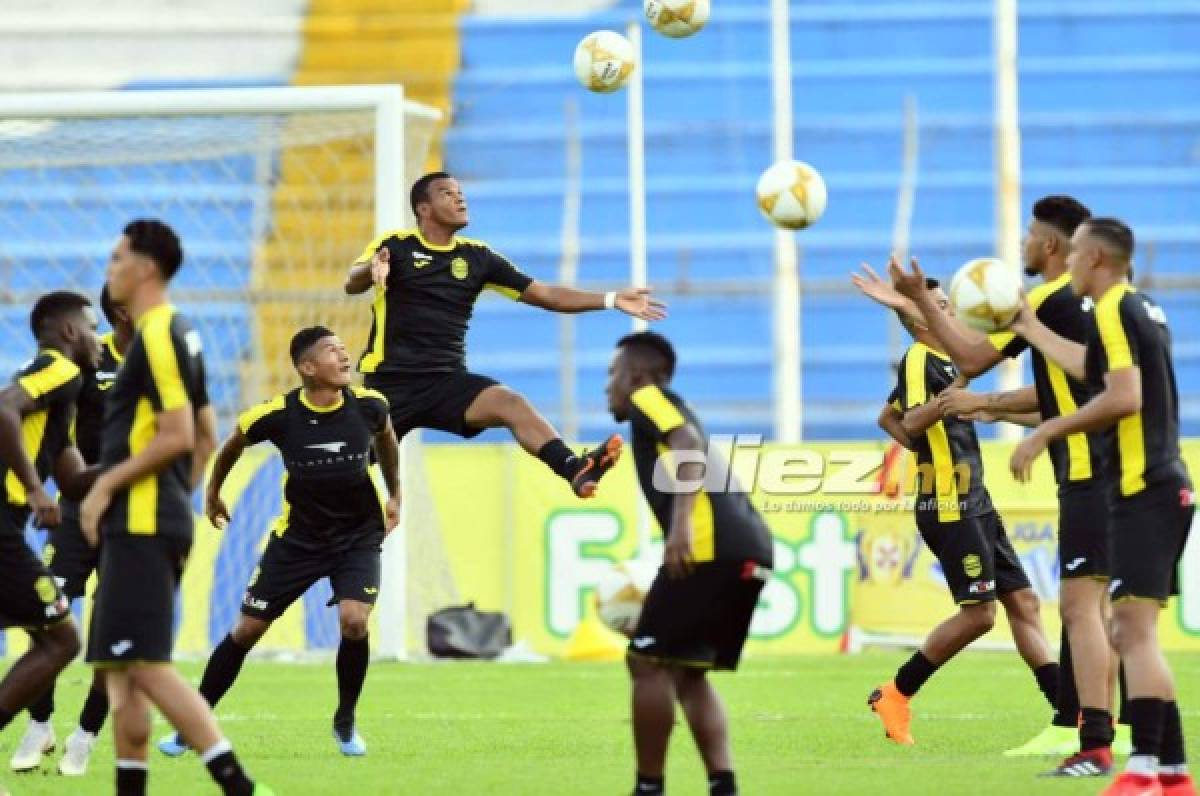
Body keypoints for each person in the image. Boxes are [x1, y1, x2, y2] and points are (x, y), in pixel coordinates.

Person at [882, 196, 1130, 772]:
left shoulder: (1049, 301)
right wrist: (984, 407)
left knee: (1074, 608)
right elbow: (911, 409)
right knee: (1070, 608)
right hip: (1003, 489)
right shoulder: (1092, 305)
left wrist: (985, 399)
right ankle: (1090, 727)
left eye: (1027, 233)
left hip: (1084, 476)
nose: (1020, 241)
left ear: (1049, 244)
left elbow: (978, 361)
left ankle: (1088, 733)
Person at [79, 219, 270, 796]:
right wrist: (175, 504)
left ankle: (239, 784)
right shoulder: (181, 334)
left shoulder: (159, 333)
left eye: (117, 259)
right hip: (152, 520)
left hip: (139, 523)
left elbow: (179, 434)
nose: (109, 270)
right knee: (120, 676)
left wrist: (107, 486)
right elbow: (209, 433)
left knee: (144, 667)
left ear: (146, 268)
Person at [1007, 218, 1194, 796]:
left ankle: (1141, 769)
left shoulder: (1113, 309)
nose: (1070, 267)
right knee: (1132, 631)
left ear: (1093, 259)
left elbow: (1123, 396)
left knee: (1131, 634)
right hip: (1161, 486)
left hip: (1144, 489)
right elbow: (1093, 372)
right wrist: (1033, 330)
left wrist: (1046, 432)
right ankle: (1173, 772)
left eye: (1078, 254)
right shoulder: (1141, 308)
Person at [158, 327, 401, 759]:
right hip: (298, 540)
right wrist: (213, 492)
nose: (345, 357)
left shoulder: (370, 406)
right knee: (247, 630)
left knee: (354, 622)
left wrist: (394, 492)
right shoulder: (275, 415)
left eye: (345, 350)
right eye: (333, 352)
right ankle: (191, 723)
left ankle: (345, 721)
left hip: (358, 537)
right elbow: (232, 444)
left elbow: (386, 438)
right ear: (307, 368)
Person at [345, 172, 666, 498]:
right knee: (342, 472)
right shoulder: (395, 246)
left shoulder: (479, 258)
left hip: (446, 382)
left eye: (460, 192)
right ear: (424, 209)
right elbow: (351, 282)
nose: (459, 198)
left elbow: (546, 295)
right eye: (447, 193)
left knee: (509, 403)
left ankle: (574, 468)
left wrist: (610, 299)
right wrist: (370, 270)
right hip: (389, 384)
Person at [861, 279, 1059, 746]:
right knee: (980, 615)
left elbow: (887, 417)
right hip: (948, 502)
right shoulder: (919, 359)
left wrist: (948, 408)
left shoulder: (947, 361)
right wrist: (947, 405)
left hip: (976, 500)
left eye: (946, 303)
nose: (948, 311)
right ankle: (895, 692)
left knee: (1024, 603)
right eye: (938, 306)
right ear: (918, 320)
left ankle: (1070, 713)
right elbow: (909, 419)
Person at [605, 331, 774, 796]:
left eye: (612, 373)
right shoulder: (659, 402)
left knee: (646, 661)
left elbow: (687, 442)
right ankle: (724, 785)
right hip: (751, 548)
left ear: (637, 375)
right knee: (686, 671)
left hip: (708, 546)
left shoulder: (648, 396)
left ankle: (648, 788)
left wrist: (680, 526)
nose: (608, 386)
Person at [11, 284, 134, 777]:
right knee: (48, 617)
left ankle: (84, 736)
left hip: (135, 517)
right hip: (75, 507)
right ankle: (39, 724)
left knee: (111, 632)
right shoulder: (83, 359)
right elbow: (47, 424)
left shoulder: (167, 365)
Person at [0, 292, 101, 784]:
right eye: (91, 327)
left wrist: (147, 461)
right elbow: (2, 409)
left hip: (9, 524)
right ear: (68, 333)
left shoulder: (62, 396)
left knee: (53, 637)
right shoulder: (60, 370)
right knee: (61, 640)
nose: (98, 338)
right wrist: (37, 489)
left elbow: (78, 480)